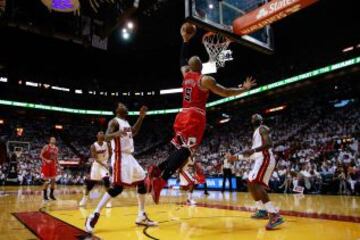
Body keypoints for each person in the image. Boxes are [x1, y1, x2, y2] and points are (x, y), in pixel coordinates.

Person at [147, 23, 257, 204]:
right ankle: (161, 180)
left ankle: (157, 170)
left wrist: (185, 41)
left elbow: (182, 60)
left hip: (182, 114)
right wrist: (243, 89)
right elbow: (226, 92)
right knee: (186, 151)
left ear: (190, 67)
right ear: (202, 66)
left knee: (181, 151)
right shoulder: (205, 79)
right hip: (195, 117)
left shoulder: (186, 75)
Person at [85, 103, 157, 233]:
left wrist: (141, 117)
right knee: (117, 188)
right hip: (120, 157)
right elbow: (106, 136)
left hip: (130, 157)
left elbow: (134, 132)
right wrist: (117, 133)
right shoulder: (114, 121)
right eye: (121, 105)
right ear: (117, 110)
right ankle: (93, 215)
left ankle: (141, 215)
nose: (124, 105)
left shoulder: (126, 122)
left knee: (142, 182)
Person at [226, 114, 284, 230]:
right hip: (260, 159)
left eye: (256, 117)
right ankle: (262, 210)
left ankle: (274, 214)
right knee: (250, 183)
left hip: (266, 158)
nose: (254, 117)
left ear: (260, 120)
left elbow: (269, 144)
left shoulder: (263, 128)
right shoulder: (255, 134)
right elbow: (252, 155)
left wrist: (253, 149)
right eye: (252, 117)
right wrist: (235, 158)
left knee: (256, 184)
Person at [79, 131, 112, 208]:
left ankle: (109, 201)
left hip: (104, 166)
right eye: (100, 133)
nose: (102, 134)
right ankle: (84, 198)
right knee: (90, 185)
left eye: (103, 133)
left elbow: (110, 153)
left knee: (107, 182)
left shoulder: (107, 144)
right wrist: (104, 163)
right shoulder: (93, 146)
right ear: (97, 136)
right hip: (96, 165)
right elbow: (95, 158)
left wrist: (107, 161)